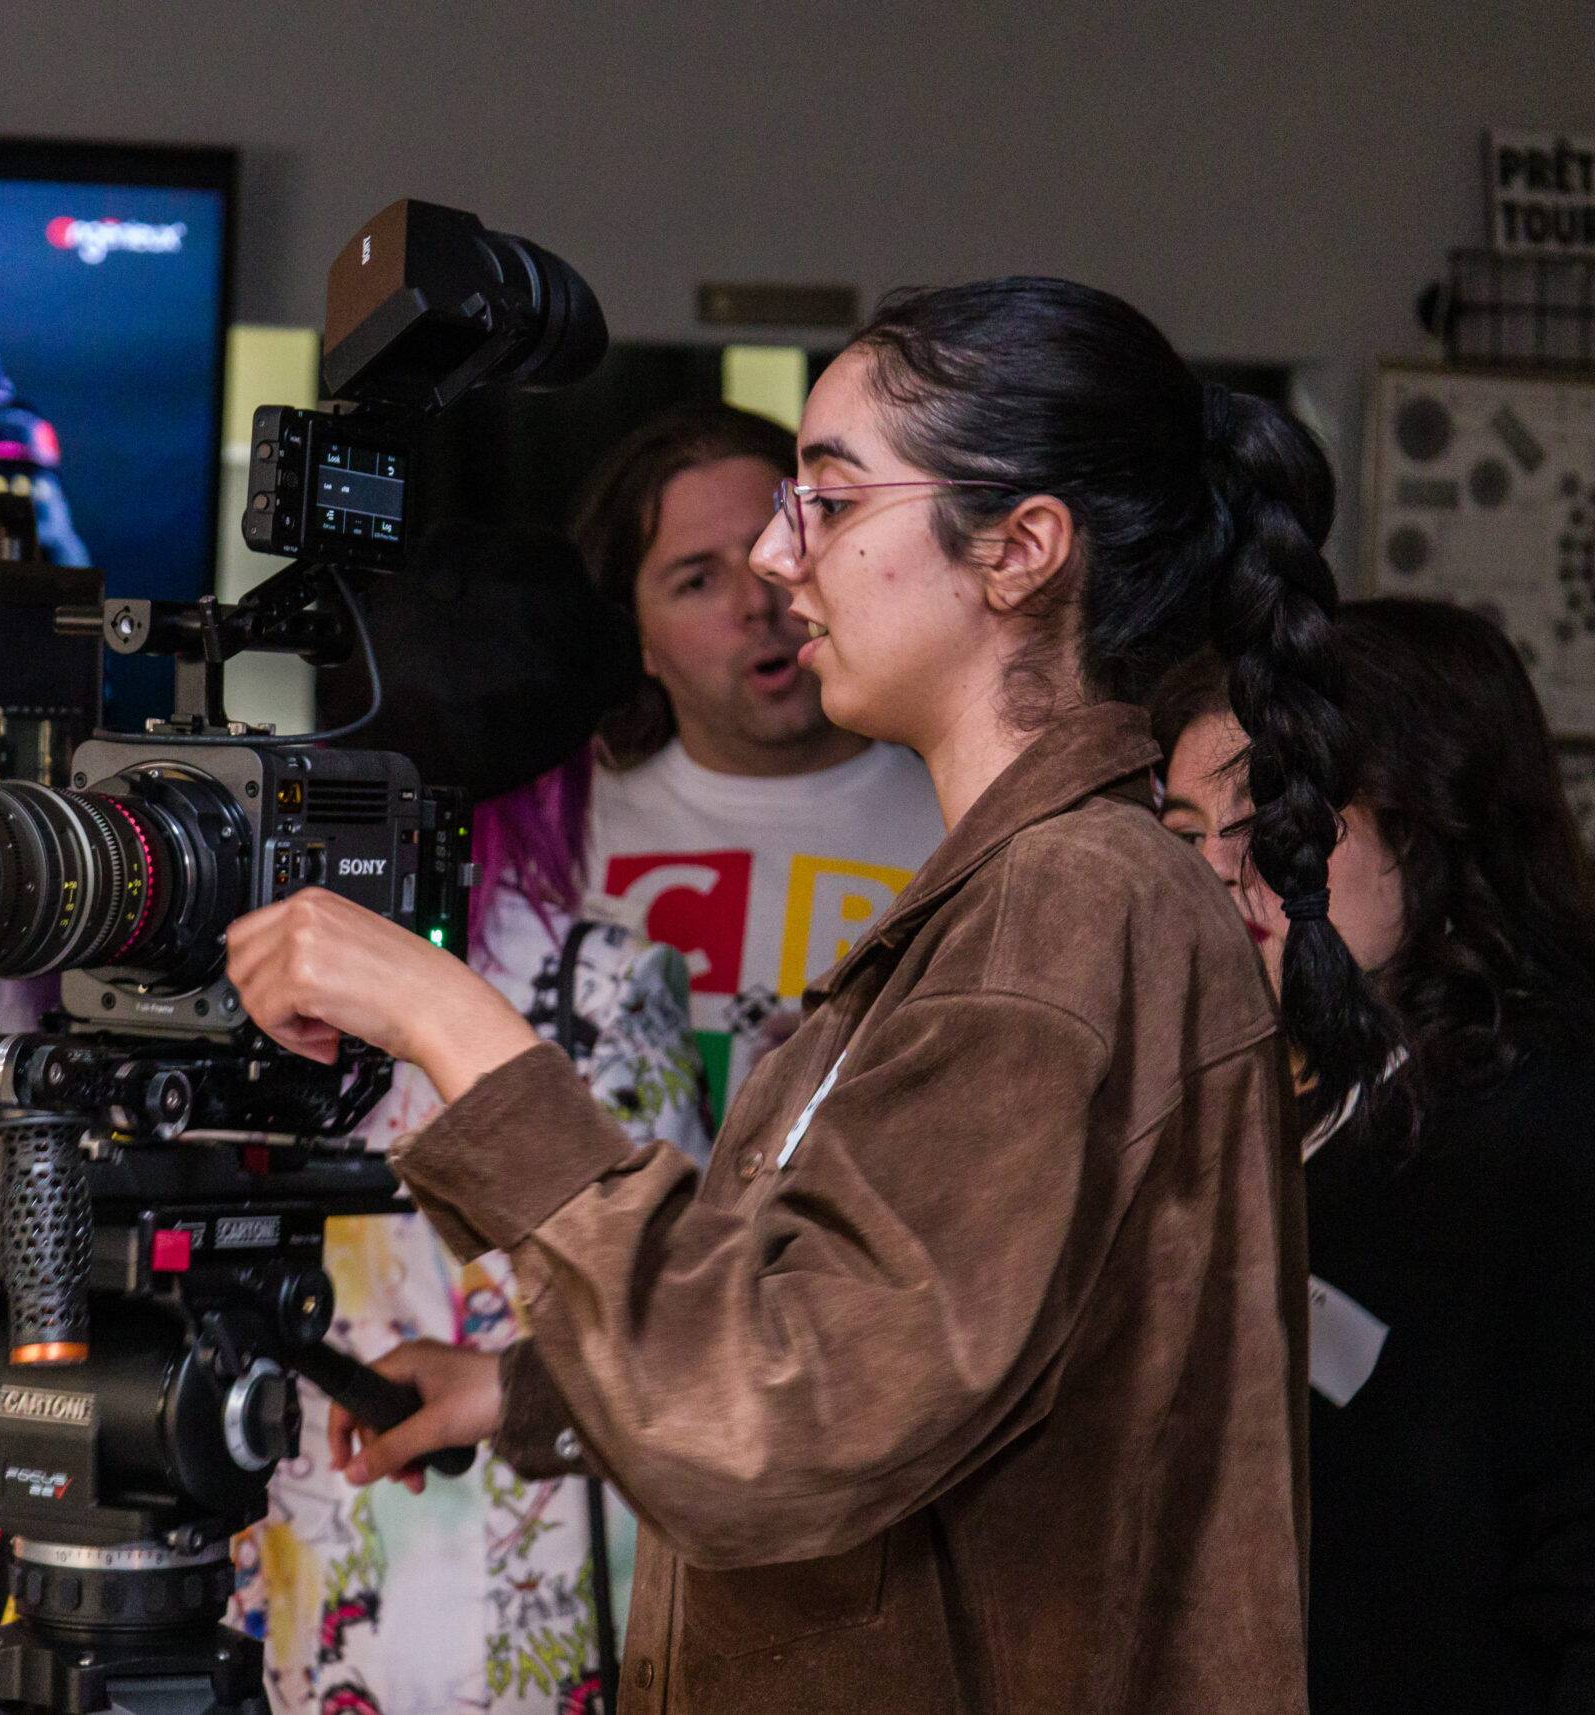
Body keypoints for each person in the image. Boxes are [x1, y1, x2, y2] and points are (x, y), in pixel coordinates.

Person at [225, 276, 1391, 1713]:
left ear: (1022, 549)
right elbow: (898, 1342)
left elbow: (776, 1419)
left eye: (829, 503)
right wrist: (523, 1390)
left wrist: (451, 1022)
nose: (781, 561)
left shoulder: (1065, 909)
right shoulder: (1014, 891)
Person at [229, 526, 710, 1714]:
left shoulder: (259, 977)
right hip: (537, 1580)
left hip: (324, 1550)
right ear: (572, 768)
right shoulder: (605, 985)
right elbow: (680, 1330)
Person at [1156, 597, 1595, 1715]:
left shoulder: (1541, 1134)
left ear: (1431, 820)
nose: (1221, 871)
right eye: (1186, 832)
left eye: (1270, 820)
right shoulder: (1230, 1098)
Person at [572, 405, 945, 1104]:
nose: (755, 602)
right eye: (697, 580)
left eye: (781, 545)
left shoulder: (964, 813)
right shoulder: (564, 835)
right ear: (638, 639)